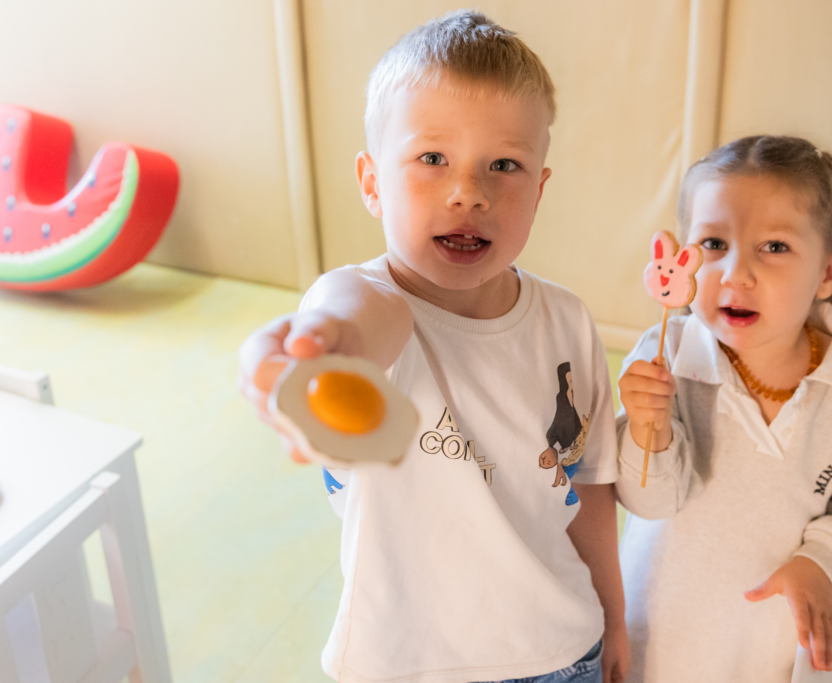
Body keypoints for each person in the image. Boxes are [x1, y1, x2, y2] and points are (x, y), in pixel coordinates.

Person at [237, 11, 629, 683]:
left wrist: (616, 618)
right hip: (405, 664)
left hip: (566, 651)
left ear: (538, 189)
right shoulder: (366, 301)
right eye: (431, 158)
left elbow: (589, 486)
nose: (467, 192)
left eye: (503, 164)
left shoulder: (566, 321)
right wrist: (319, 350)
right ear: (371, 181)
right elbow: (357, 324)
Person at [615, 135, 832, 682]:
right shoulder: (664, 358)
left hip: (766, 650)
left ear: (827, 274)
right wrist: (649, 428)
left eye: (774, 247)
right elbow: (650, 500)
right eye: (713, 244)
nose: (735, 273)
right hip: (652, 634)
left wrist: (821, 559)